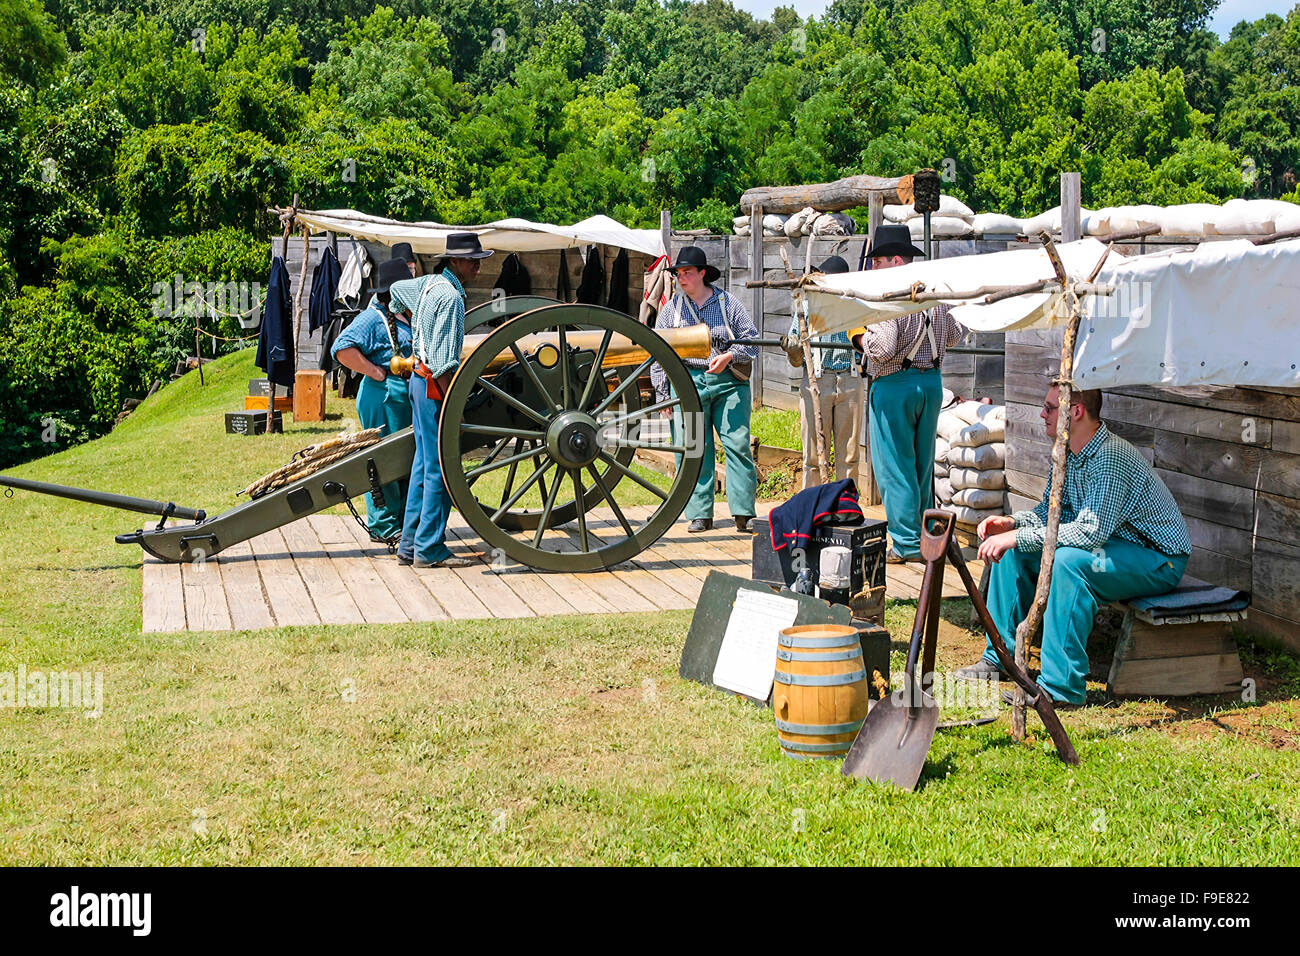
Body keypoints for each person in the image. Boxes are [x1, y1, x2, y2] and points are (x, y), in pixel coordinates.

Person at [956, 384, 1191, 706]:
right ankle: (1000, 659)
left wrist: (1018, 535)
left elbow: (1090, 534)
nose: (1042, 414)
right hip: (1111, 547)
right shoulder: (1066, 452)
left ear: (1076, 412)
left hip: (1156, 559)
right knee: (1015, 551)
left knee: (1068, 562)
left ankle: (1061, 688)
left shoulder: (1110, 457)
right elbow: (1051, 514)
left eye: (1050, 408)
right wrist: (1013, 525)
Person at [848, 224, 966, 563]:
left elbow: (882, 348)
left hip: (894, 385)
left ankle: (906, 544)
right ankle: (927, 536)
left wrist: (857, 336)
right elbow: (955, 334)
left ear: (895, 260)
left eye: (878, 261)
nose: (873, 268)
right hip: (931, 383)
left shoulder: (891, 292)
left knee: (895, 467)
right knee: (922, 466)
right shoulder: (933, 291)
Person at [388, 233, 493, 569]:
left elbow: (395, 292)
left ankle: (409, 545)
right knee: (441, 470)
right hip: (435, 386)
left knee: (423, 465)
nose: (478, 266)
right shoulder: (451, 298)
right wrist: (457, 405)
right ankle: (429, 549)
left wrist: (401, 315)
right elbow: (446, 363)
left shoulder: (430, 284)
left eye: (479, 259)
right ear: (455, 261)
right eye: (472, 260)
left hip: (417, 381)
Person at [649, 246, 760, 533]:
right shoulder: (671, 310)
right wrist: (663, 394)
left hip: (728, 383)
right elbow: (659, 353)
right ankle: (699, 513)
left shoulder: (728, 303)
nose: (681, 278)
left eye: (687, 273)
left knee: (737, 445)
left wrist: (730, 356)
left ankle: (744, 512)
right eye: (678, 274)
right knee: (695, 448)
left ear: (702, 274)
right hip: (689, 383)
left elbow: (752, 340)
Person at [331, 258, 416, 542]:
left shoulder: (405, 316)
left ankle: (403, 521)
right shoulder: (373, 317)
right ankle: (384, 526)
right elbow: (341, 348)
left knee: (403, 458)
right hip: (382, 396)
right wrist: (374, 371)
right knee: (383, 460)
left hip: (402, 396)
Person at [785, 255, 862, 490]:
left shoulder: (855, 306)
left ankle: (846, 505)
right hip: (816, 379)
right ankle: (814, 504)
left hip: (850, 379)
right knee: (812, 453)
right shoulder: (807, 307)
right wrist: (793, 347)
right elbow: (796, 356)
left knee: (848, 453)